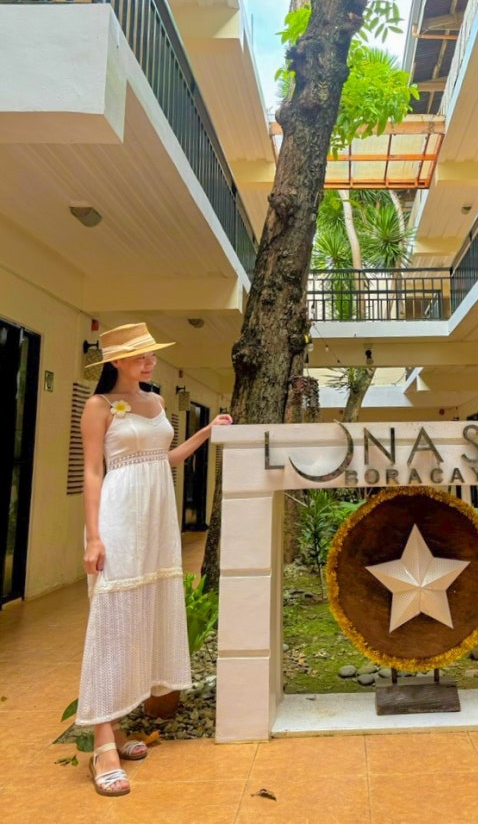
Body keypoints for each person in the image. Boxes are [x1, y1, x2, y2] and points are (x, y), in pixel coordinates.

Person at [76, 322, 232, 796]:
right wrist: (94, 537)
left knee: (139, 618)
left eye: (151, 354)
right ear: (116, 361)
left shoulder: (158, 401)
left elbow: (164, 458)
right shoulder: (99, 406)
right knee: (112, 621)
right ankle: (102, 743)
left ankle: (118, 724)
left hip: (157, 521)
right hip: (119, 518)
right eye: (141, 355)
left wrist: (206, 432)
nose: (150, 361)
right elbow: (92, 471)